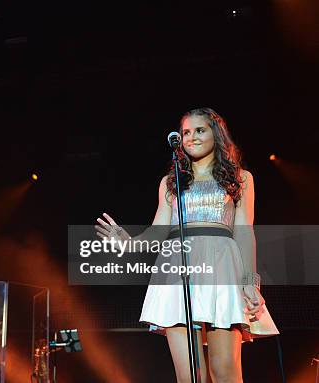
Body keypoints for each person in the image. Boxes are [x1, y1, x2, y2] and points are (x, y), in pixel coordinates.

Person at [96, 108, 279, 382]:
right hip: (177, 269)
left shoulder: (241, 179)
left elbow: (244, 232)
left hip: (222, 268)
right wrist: (129, 244)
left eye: (199, 130)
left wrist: (250, 282)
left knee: (225, 371)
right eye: (185, 132)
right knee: (190, 375)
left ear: (216, 134)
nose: (191, 137)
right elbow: (158, 231)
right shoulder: (170, 183)